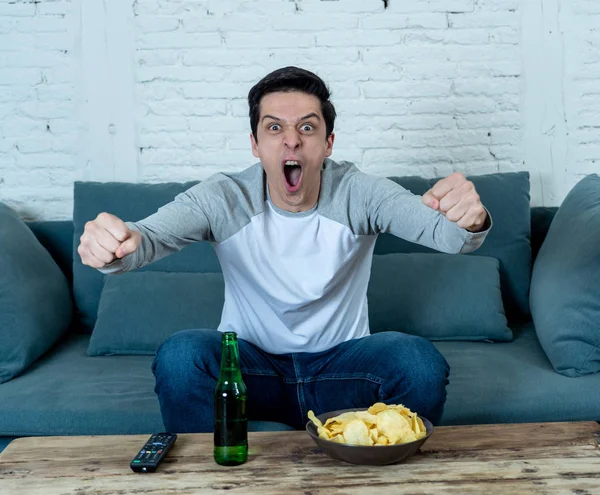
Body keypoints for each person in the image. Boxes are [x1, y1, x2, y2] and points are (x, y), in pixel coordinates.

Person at [78, 66, 491, 432]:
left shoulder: (359, 192)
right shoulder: (224, 197)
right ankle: (205, 480)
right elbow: (147, 238)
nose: (291, 141)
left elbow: (445, 233)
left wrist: (469, 219)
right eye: (274, 128)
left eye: (307, 128)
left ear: (328, 144)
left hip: (342, 370)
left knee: (417, 362)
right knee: (182, 355)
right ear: (255, 144)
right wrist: (116, 247)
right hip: (249, 373)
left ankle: (390, 474)